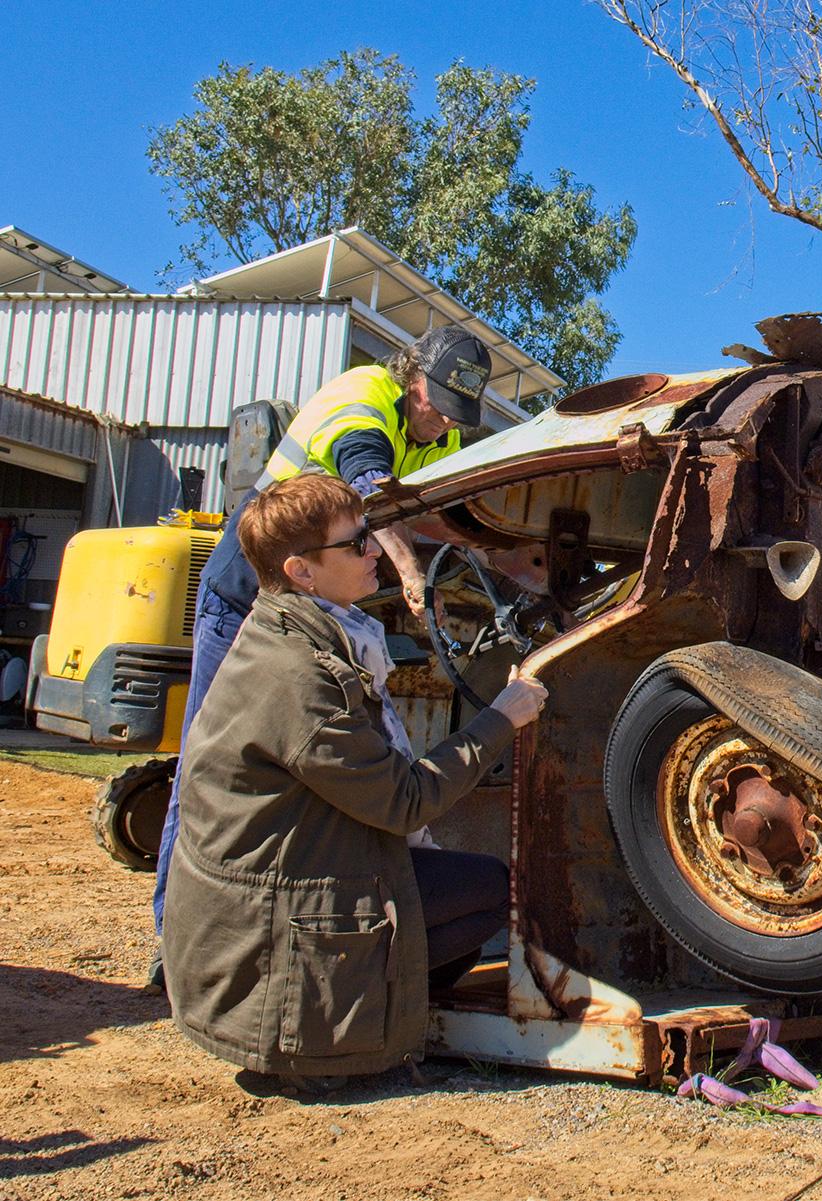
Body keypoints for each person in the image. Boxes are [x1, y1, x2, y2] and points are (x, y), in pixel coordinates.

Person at [150, 325, 532, 953]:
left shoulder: (444, 430)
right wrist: (409, 572)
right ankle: (175, 936)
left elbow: (439, 512)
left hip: (314, 608)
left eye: (457, 413)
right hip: (247, 594)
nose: (443, 424)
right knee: (205, 763)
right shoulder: (359, 402)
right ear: (412, 380)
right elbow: (370, 491)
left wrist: (506, 557)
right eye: (437, 405)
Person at [161, 474, 549, 1086]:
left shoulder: (291, 633)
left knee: (467, 914)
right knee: (489, 893)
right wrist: (500, 718)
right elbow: (404, 800)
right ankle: (320, 1042)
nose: (376, 551)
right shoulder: (299, 678)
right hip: (271, 921)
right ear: (302, 572)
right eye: (356, 543)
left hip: (275, 890)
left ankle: (357, 1015)